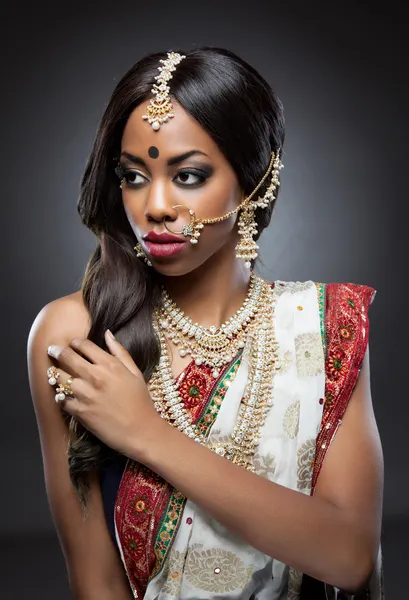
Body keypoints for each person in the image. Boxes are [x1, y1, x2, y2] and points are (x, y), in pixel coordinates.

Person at [27, 47, 385, 599]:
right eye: (133, 176)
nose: (156, 206)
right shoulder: (78, 334)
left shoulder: (324, 329)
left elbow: (350, 556)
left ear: (255, 179)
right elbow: (95, 583)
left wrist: (148, 435)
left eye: (188, 175)